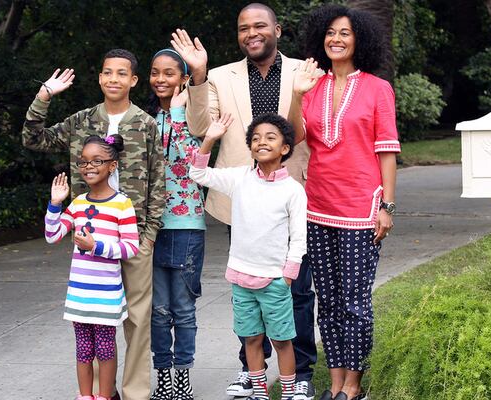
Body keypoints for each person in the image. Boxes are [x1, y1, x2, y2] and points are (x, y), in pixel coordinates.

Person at [174, 4, 318, 399]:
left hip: (291, 192)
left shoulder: (304, 71)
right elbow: (200, 127)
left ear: (277, 29)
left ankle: (300, 373)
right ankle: (250, 372)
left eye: (259, 26)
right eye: (243, 29)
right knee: (250, 293)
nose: (251, 33)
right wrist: (198, 76)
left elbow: (304, 132)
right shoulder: (219, 76)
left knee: (297, 292)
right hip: (245, 196)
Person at [22, 49, 165, 400]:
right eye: (107, 73)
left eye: (121, 73)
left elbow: (159, 181)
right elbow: (33, 138)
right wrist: (44, 96)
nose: (113, 79)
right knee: (94, 321)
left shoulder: (145, 123)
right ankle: (103, 393)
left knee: (136, 320)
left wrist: (148, 236)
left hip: (131, 236)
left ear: (133, 80)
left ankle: (134, 393)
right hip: (90, 239)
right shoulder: (81, 121)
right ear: (100, 78)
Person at [288, 5, 400, 400]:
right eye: (331, 32)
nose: (336, 38)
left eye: (345, 33)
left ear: (359, 41)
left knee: (355, 302)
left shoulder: (376, 87)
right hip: (317, 206)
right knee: (329, 302)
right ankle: (334, 381)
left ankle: (354, 385)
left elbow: (387, 150)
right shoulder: (311, 86)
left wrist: (387, 205)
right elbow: (293, 137)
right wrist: (297, 95)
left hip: (360, 209)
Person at [189, 113, 306, 400]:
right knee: (251, 338)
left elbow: (299, 237)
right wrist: (209, 139)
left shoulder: (292, 190)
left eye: (270, 138)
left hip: (275, 281)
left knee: (281, 339)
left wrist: (288, 275)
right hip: (241, 278)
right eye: (255, 138)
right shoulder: (240, 178)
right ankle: (259, 392)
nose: (261, 142)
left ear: (285, 149)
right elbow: (198, 174)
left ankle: (290, 392)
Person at [45, 135, 139, 400]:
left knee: (106, 350)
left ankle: (105, 396)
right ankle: (85, 396)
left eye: (97, 161)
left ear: (112, 166)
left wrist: (96, 246)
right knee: (83, 350)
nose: (88, 166)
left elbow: (130, 248)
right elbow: (52, 235)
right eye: (83, 162)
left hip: (106, 295)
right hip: (79, 295)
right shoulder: (77, 204)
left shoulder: (122, 204)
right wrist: (55, 203)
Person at [144, 48, 205, 400]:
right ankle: (162, 377)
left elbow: (191, 159)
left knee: (182, 309)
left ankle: (183, 378)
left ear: (183, 78)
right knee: (157, 310)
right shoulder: (146, 119)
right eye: (155, 72)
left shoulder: (193, 116)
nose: (161, 79)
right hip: (151, 227)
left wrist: (180, 111)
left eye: (169, 73)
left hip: (186, 226)